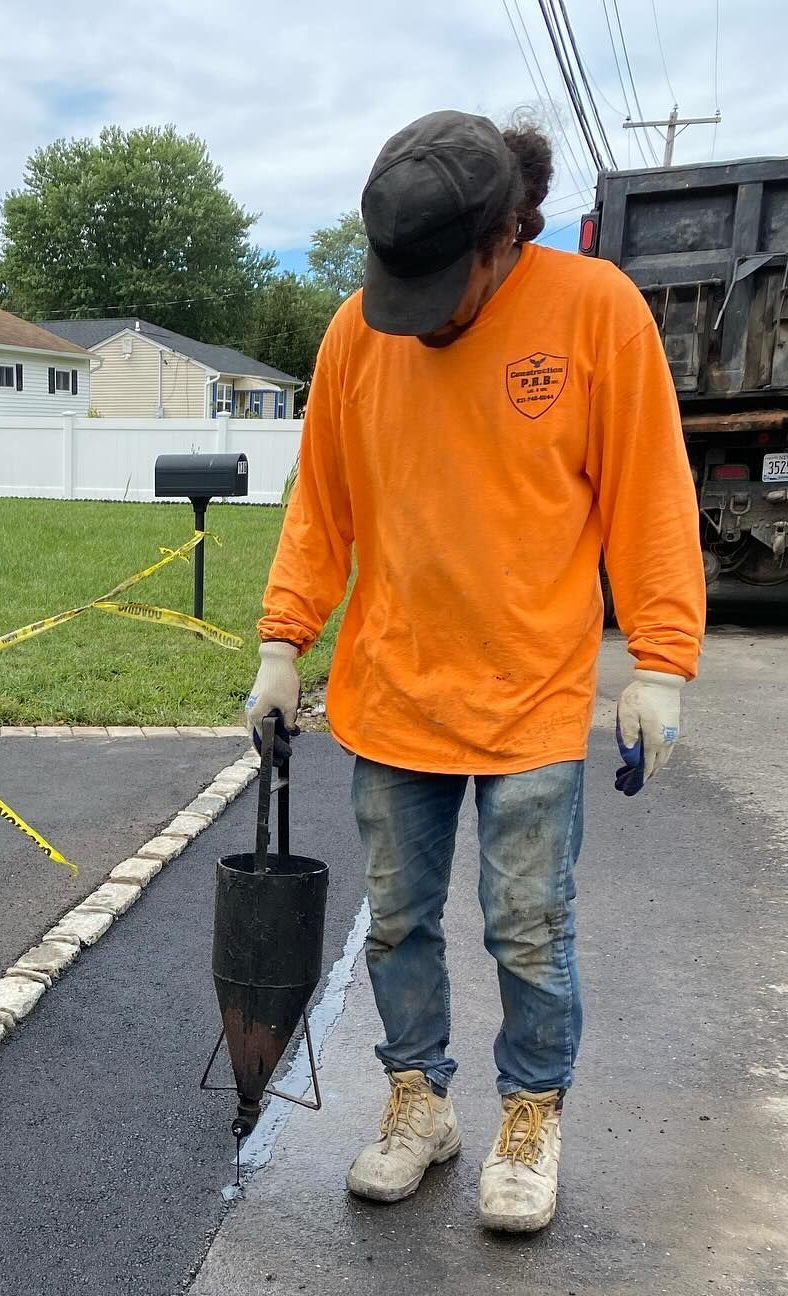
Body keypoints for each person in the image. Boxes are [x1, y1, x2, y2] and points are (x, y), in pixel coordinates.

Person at [246, 111, 705, 1234]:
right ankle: (419, 1101)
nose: (424, 314)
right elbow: (323, 504)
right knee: (398, 922)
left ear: (508, 236)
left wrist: (660, 664)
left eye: (444, 284)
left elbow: (649, 493)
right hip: (394, 689)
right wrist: (281, 642)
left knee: (528, 926)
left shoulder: (595, 311)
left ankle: (530, 1116)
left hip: (531, 696)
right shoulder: (357, 332)